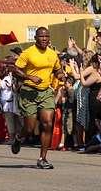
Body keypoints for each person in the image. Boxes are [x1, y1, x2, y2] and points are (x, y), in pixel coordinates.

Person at [11, 27, 65, 169]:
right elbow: (15, 70)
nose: (44, 39)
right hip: (29, 91)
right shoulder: (28, 53)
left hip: (45, 92)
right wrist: (29, 77)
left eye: (46, 36)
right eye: (41, 37)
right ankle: (18, 138)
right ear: (35, 38)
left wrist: (61, 75)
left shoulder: (53, 54)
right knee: (30, 128)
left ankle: (42, 158)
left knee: (47, 123)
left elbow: (57, 69)